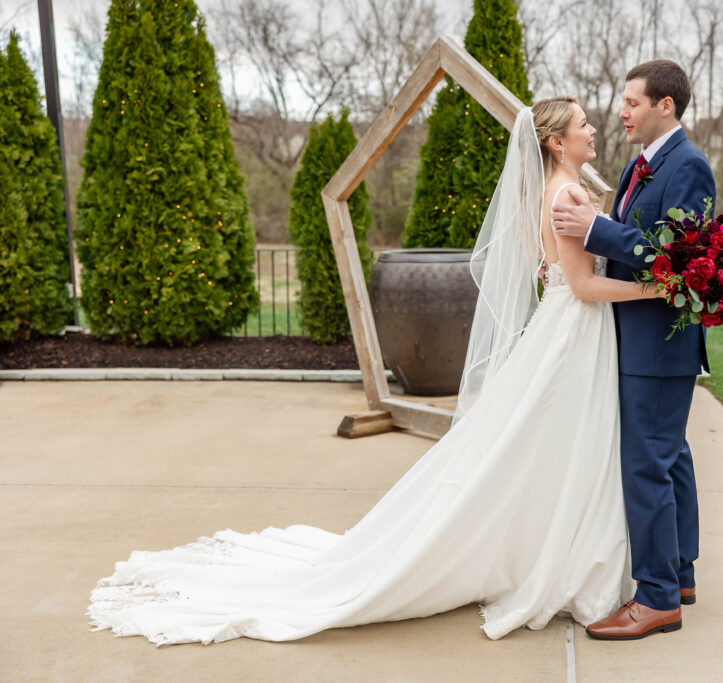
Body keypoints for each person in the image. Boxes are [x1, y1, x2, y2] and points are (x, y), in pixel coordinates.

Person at [88, 97, 664, 646]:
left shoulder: (557, 187)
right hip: (572, 332)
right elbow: (584, 285)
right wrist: (655, 287)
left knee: (554, 448)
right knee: (562, 447)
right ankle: (551, 558)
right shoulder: (565, 195)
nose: (594, 130)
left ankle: (551, 550)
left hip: (569, 330)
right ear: (555, 141)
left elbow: (555, 274)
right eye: (584, 124)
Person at [552, 59, 716, 640]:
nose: (621, 112)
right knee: (670, 457)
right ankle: (681, 572)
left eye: (632, 103)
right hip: (638, 337)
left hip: (659, 342)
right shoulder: (637, 166)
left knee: (646, 464)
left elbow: (680, 258)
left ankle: (657, 598)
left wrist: (594, 229)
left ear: (664, 106)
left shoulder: (689, 166)